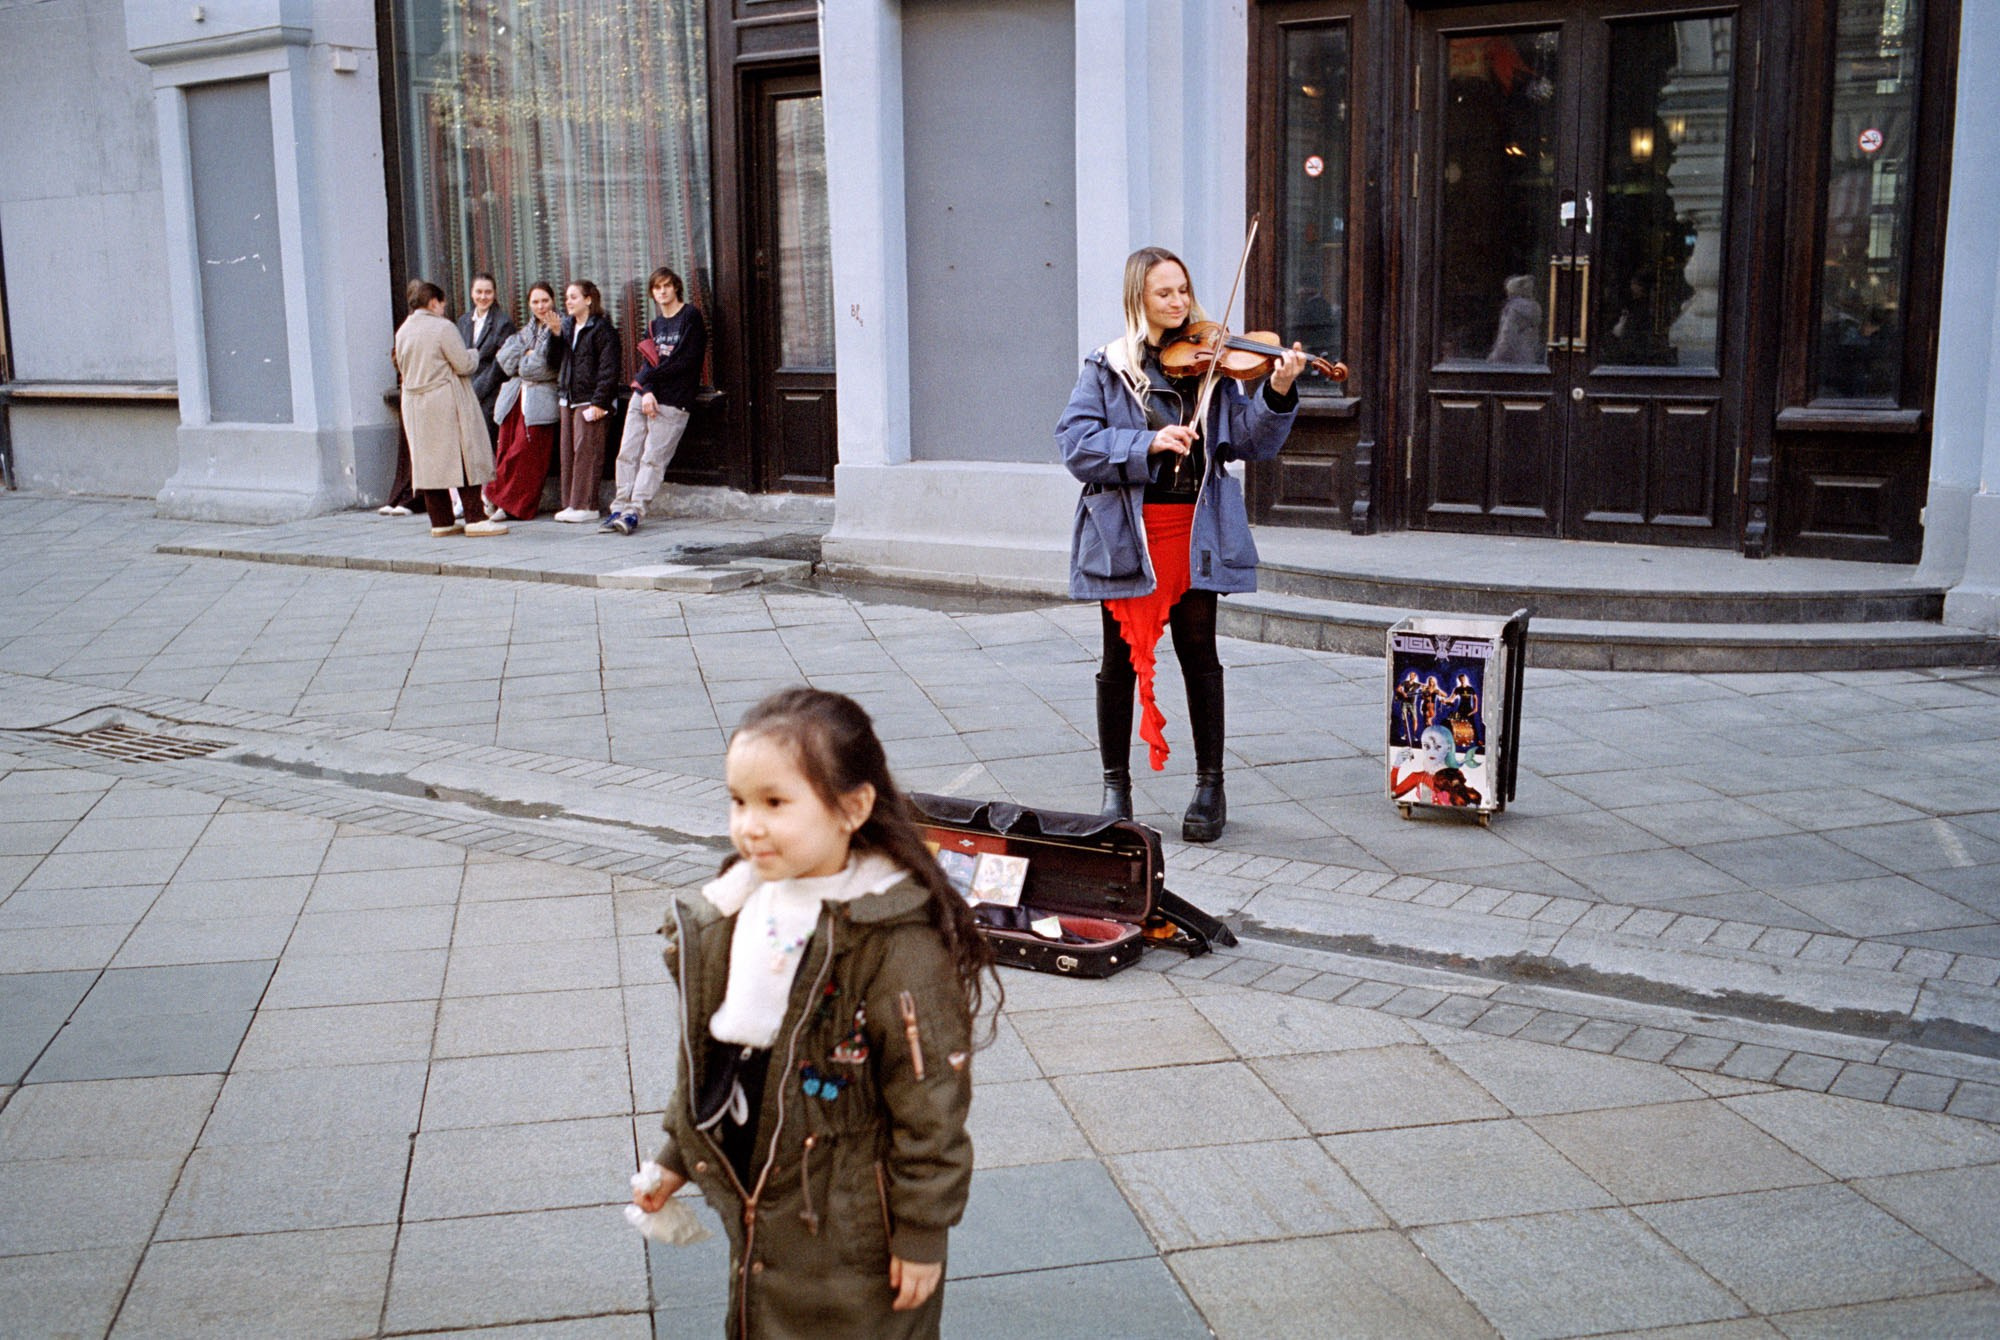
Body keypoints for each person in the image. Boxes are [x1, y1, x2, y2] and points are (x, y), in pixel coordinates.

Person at [630, 687, 995, 1339]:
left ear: (852, 807)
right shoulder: (739, 906)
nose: (750, 824)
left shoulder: (893, 942)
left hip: (857, 1231)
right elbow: (723, 1061)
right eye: (738, 801)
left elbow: (931, 1108)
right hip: (766, 1207)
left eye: (775, 803)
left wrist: (920, 1233)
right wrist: (676, 1154)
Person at [1056, 245, 1304, 842]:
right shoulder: (1108, 366)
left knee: (1199, 653)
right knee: (1117, 662)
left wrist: (1277, 391)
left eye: (1184, 290)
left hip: (1196, 530)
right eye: (1164, 292)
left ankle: (1210, 785)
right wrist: (1146, 444)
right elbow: (1075, 445)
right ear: (1138, 297)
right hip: (1132, 532)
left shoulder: (1215, 365)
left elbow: (1250, 441)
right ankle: (1116, 788)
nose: (1178, 302)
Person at [392, 279, 507, 537]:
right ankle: (476, 518)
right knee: (463, 456)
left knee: (429, 463)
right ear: (434, 302)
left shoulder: (403, 330)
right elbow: (464, 364)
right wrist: (475, 354)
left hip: (414, 403)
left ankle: (441, 521)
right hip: (445, 400)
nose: (444, 308)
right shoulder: (443, 327)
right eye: (442, 303)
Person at [602, 265, 708, 535]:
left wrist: (647, 379)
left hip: (673, 399)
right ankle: (619, 506)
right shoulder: (655, 324)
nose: (662, 291)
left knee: (652, 458)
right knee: (627, 452)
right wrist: (646, 388)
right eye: (657, 287)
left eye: (666, 286)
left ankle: (633, 512)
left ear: (676, 288)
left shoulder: (690, 317)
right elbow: (648, 360)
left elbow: (685, 362)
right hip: (645, 396)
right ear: (652, 293)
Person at [485, 281, 566, 520]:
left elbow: (547, 367)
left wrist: (524, 359)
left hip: (540, 399)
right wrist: (526, 357)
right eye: (535, 302)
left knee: (525, 453)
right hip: (515, 399)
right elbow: (504, 362)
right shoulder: (525, 331)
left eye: (545, 301)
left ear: (553, 301)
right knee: (507, 448)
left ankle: (507, 502)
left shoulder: (561, 327)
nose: (541, 307)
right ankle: (502, 503)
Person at [552, 279, 620, 523]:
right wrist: (555, 335)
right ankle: (570, 503)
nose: (568, 302)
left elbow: (609, 369)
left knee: (587, 451)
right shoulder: (568, 327)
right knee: (568, 453)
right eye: (567, 297)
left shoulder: (602, 329)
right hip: (568, 397)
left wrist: (599, 402)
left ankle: (586, 505)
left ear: (589, 299)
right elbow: (554, 361)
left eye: (573, 297)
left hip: (590, 399)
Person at [456, 272, 517, 445]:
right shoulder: (463, 321)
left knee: (486, 447)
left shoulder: (503, 322)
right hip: (466, 394)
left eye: (488, 292)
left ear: (494, 293)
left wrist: (477, 390)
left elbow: (500, 366)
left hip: (491, 396)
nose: (483, 297)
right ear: (471, 293)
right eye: (479, 292)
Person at [1486, 273, 1543, 365]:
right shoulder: (1535, 307)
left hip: (1511, 360)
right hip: (1529, 356)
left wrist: (1494, 356)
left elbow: (1507, 334)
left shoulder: (1513, 309)